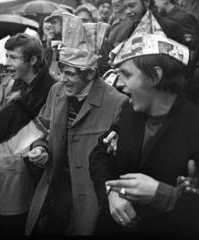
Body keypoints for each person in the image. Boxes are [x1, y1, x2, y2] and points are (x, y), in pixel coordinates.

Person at [89, 11, 199, 236]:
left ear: (155, 76)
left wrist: (164, 196)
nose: (119, 84)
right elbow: (99, 155)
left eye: (126, 75)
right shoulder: (131, 110)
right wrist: (112, 193)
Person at [25, 12, 128, 236]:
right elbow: (41, 128)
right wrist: (39, 147)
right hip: (57, 184)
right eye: (61, 72)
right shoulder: (57, 91)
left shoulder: (117, 102)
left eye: (70, 73)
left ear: (90, 74)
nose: (62, 79)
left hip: (90, 192)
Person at [0, 33, 57, 236]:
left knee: (23, 220)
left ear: (32, 60)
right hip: (16, 162)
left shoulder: (53, 88)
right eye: (6, 56)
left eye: (13, 57)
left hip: (33, 168)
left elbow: (44, 128)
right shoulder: (19, 81)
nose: (7, 62)